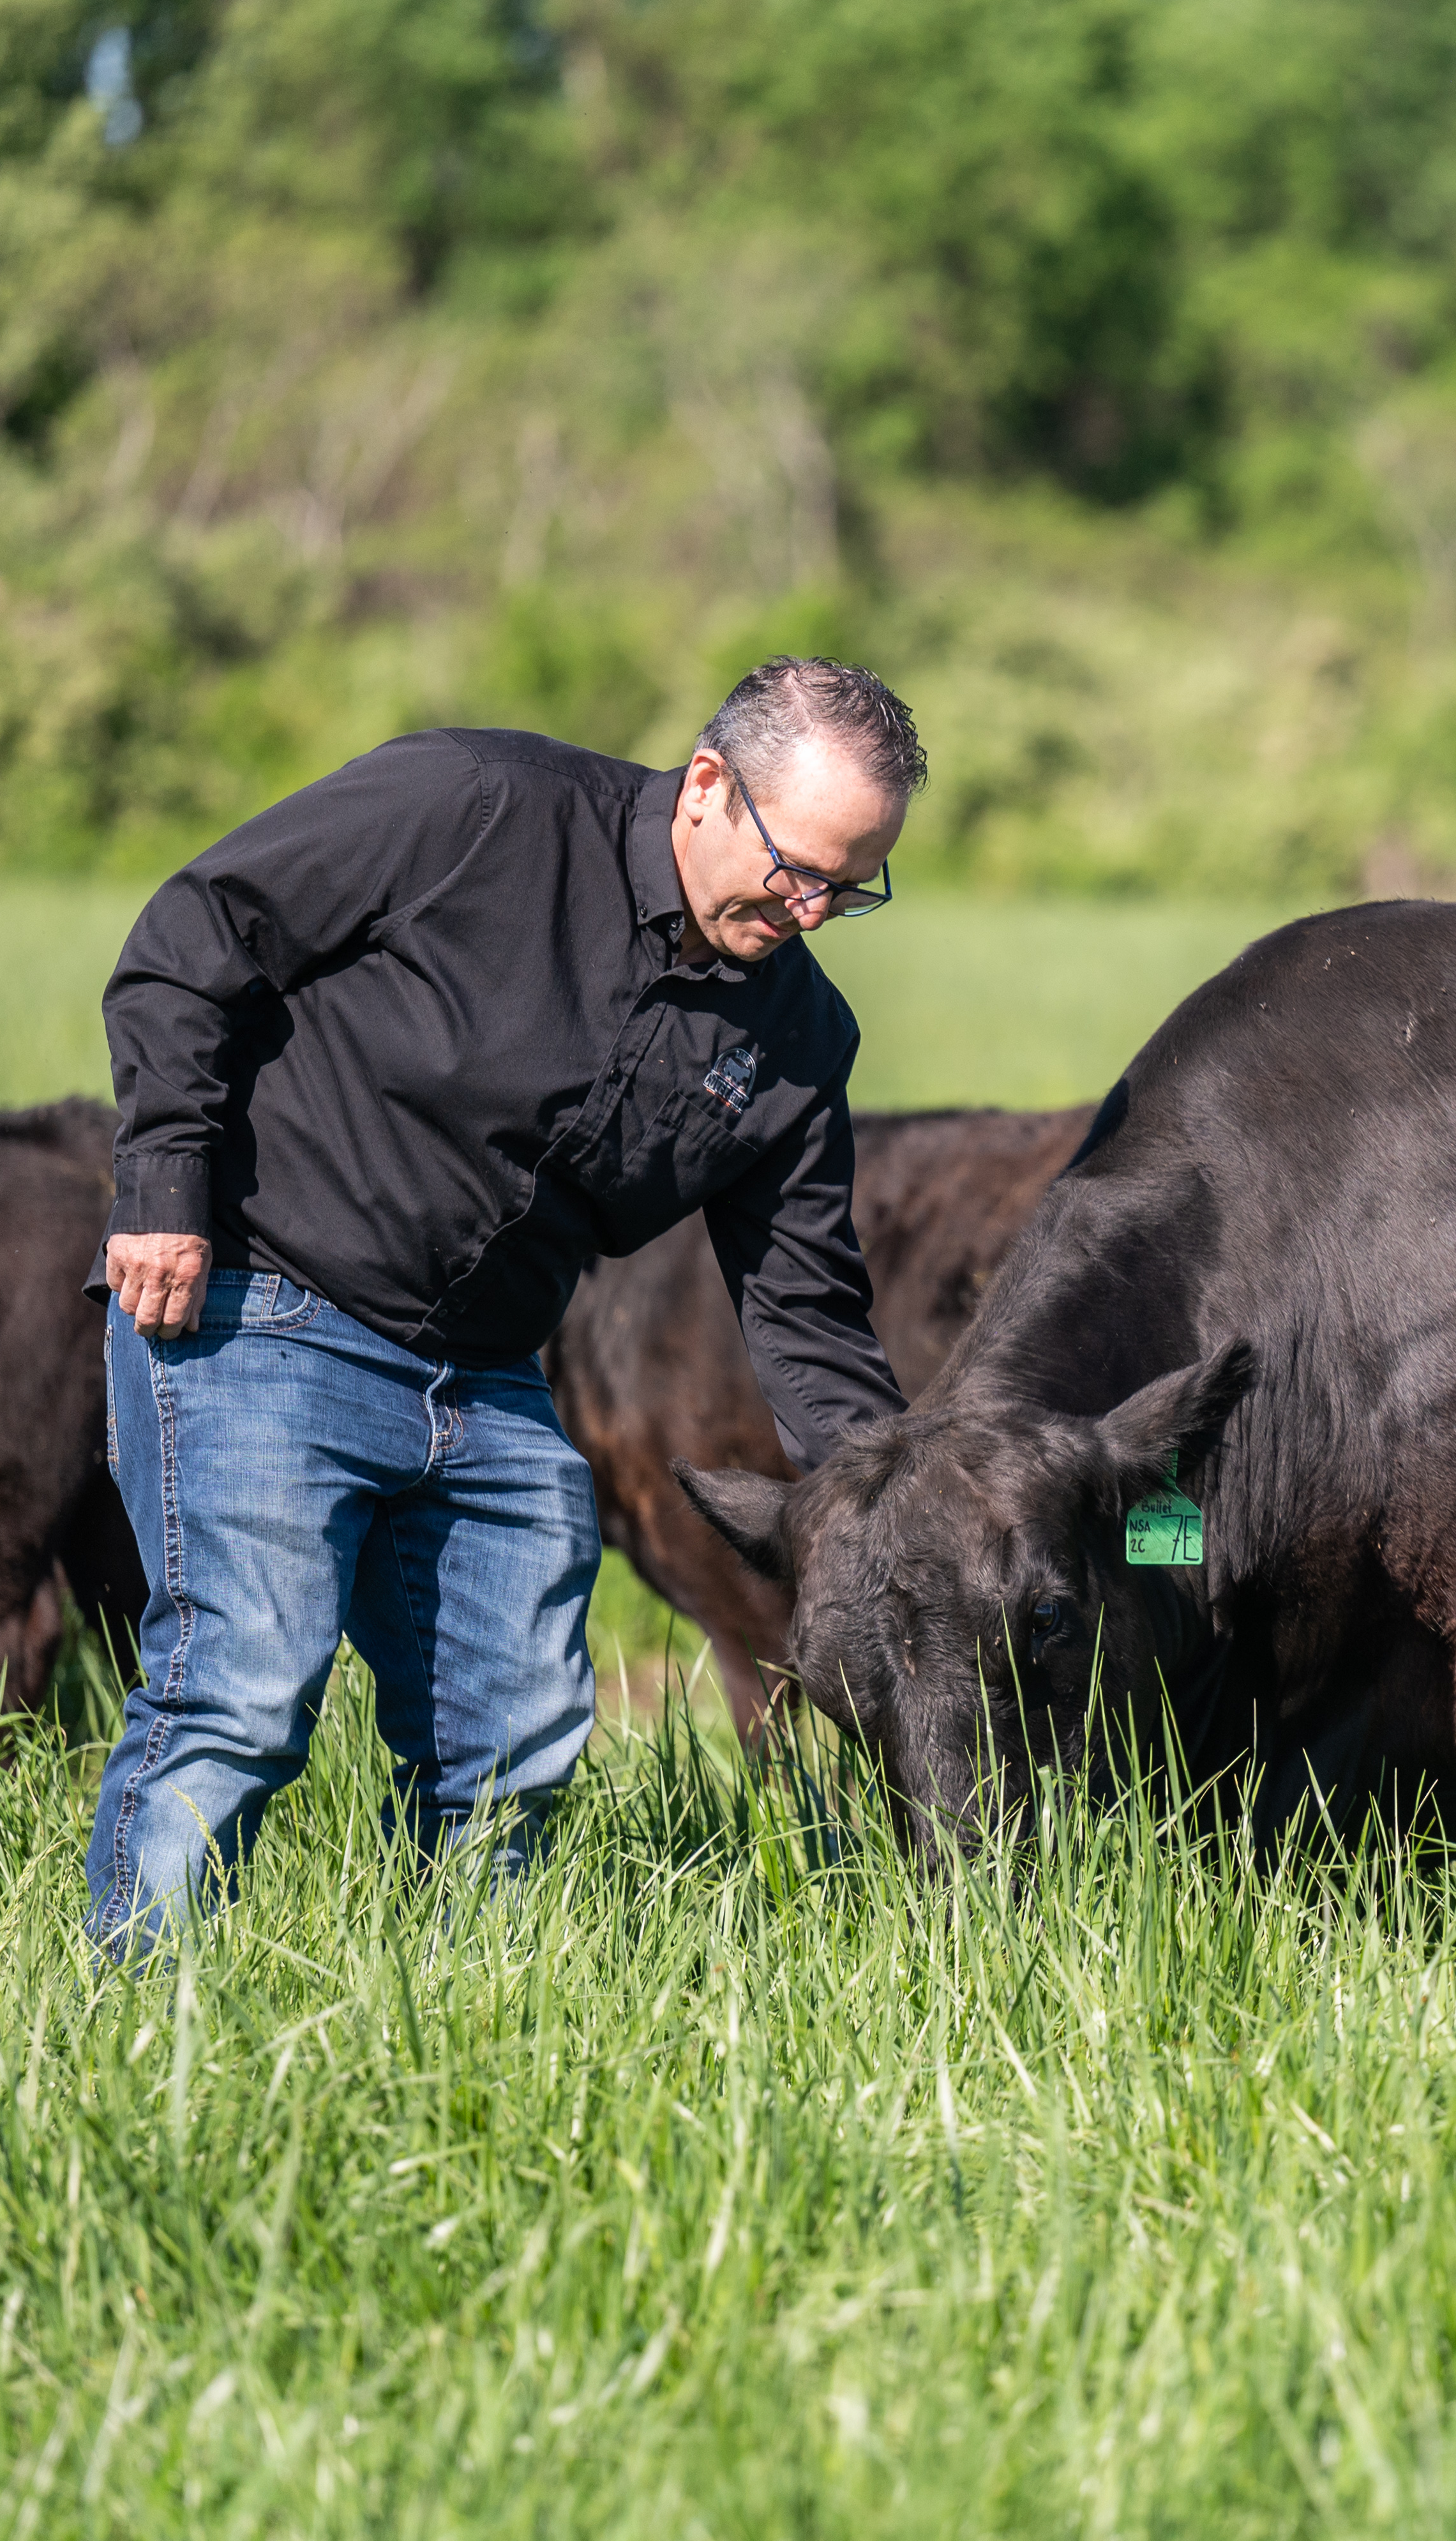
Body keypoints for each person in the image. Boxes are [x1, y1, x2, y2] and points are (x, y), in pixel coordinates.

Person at [84, 658, 925, 1954]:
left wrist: (895, 1496)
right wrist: (162, 1184)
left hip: (487, 1378)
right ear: (708, 783)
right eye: (797, 864)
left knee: (519, 1730)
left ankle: (458, 2028)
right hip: (260, 1308)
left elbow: (806, 1306)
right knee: (242, 1696)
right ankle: (128, 2020)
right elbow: (195, 935)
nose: (812, 907)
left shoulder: (799, 1041)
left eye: (850, 885)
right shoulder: (477, 806)